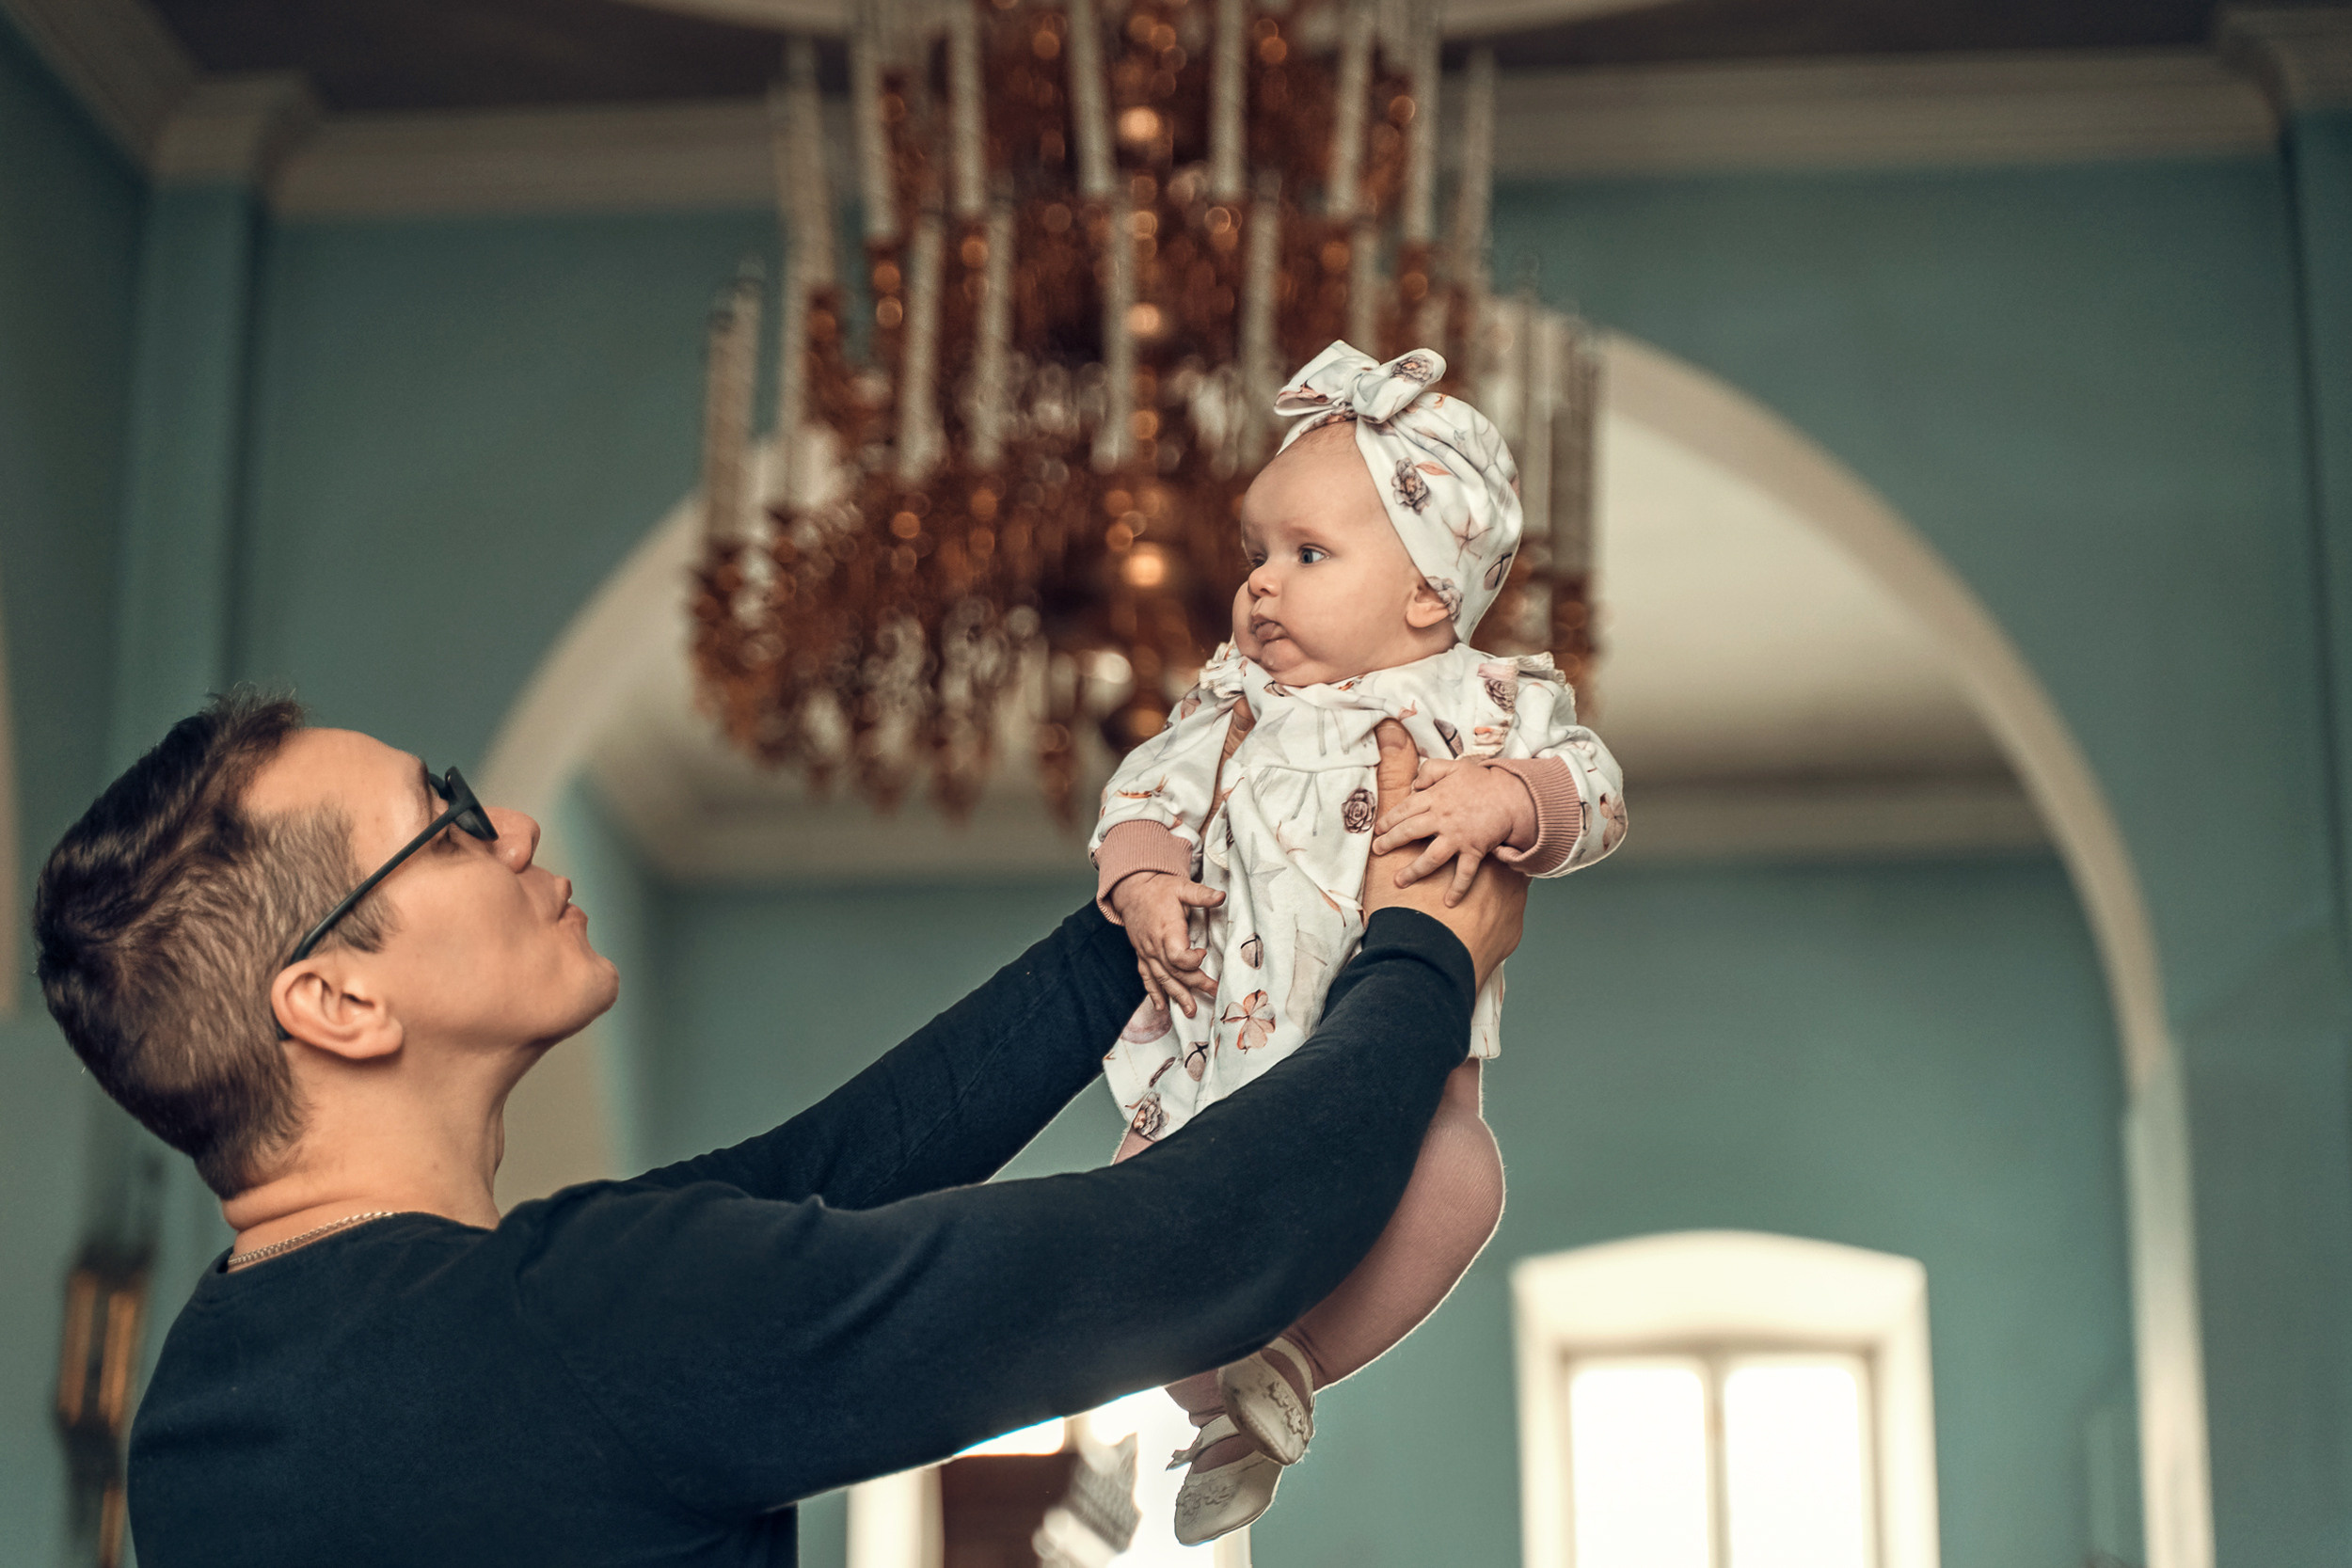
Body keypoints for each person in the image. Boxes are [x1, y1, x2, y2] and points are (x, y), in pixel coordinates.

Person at [32, 687, 1525, 1567]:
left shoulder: (207, 1396)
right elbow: (1189, 1247)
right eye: (451, 818)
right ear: (337, 1000)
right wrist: (1422, 946)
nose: (518, 831)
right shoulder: (587, 1322)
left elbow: (817, 1178)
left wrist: (1131, 927)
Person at [1089, 341, 1627, 1541]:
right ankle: (1213, 1395)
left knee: (1464, 1183)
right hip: (1217, 1072)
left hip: (1412, 1091)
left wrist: (1506, 800)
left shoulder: (1488, 702)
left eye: (1308, 554)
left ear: (1428, 592)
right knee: (1138, 1247)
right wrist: (1144, 883)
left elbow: (1594, 791)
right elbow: (1139, 801)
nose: (1260, 586)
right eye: (1256, 554)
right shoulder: (1232, 705)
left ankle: (1284, 1369)